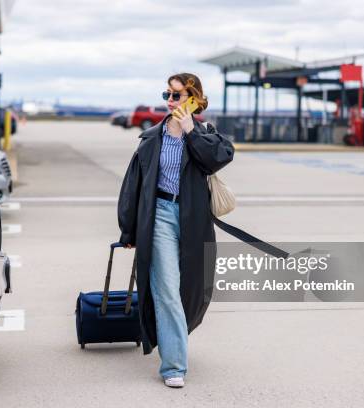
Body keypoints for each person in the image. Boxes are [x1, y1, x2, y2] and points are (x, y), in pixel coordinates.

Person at [117, 73, 234, 388]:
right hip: (159, 217)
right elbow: (133, 186)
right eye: (167, 94)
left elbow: (218, 159)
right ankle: (174, 366)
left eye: (177, 95)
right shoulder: (152, 137)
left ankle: (176, 338)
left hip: (194, 219)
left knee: (192, 290)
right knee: (166, 289)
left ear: (193, 98)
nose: (169, 101)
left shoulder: (205, 134)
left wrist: (190, 131)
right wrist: (128, 230)